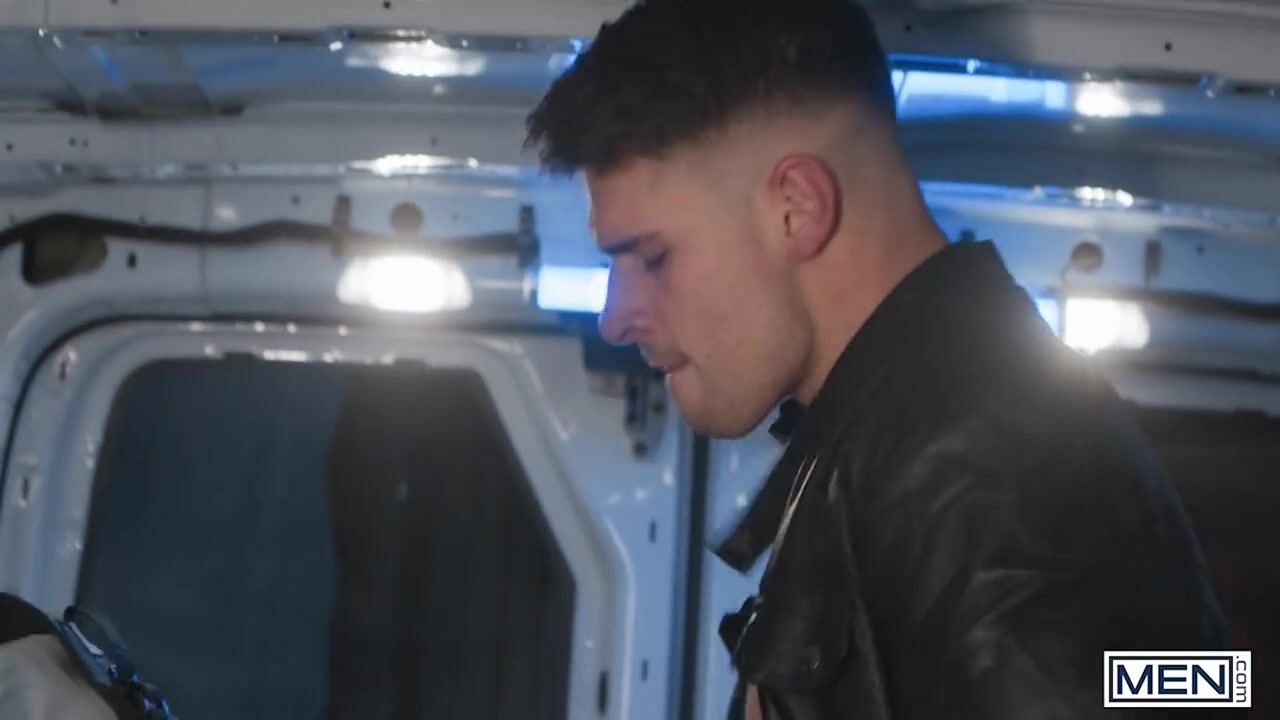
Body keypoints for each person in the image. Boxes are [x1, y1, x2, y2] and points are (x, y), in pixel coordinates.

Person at [526, 1, 1227, 718]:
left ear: (797, 208)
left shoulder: (992, 475)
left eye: (652, 257)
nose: (615, 319)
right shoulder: (900, 445)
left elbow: (1178, 689)